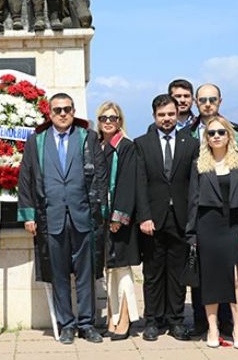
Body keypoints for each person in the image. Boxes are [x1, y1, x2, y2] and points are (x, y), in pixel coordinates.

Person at [17, 93, 108, 344]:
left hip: (83, 216)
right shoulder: (36, 141)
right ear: (50, 113)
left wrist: (101, 211)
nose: (63, 114)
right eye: (57, 110)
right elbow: (25, 179)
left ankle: (87, 323)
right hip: (51, 217)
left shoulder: (87, 137)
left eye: (67, 109)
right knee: (57, 273)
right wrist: (28, 215)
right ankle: (66, 324)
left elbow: (99, 176)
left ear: (74, 110)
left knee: (85, 273)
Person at [186, 116, 238, 349]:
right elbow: (193, 201)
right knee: (211, 280)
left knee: (236, 280)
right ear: (206, 137)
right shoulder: (199, 164)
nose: (216, 136)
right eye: (211, 133)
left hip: (233, 226)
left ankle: (237, 329)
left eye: (221, 132)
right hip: (207, 227)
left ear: (229, 135)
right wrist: (191, 233)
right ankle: (213, 329)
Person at [134, 94, 199, 342]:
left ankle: (176, 320)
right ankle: (153, 320)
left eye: (171, 114)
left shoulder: (190, 144)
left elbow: (194, 185)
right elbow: (140, 183)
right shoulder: (142, 143)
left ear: (177, 114)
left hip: (181, 219)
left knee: (177, 274)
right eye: (162, 115)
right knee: (152, 273)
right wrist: (144, 217)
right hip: (153, 219)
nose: (167, 119)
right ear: (154, 116)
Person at [95, 101, 140, 341]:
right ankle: (111, 319)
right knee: (109, 271)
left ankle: (125, 319)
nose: (109, 121)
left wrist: (118, 217)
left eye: (113, 117)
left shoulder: (126, 147)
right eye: (104, 118)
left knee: (122, 270)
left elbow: (127, 184)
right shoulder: (98, 146)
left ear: (120, 120)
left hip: (119, 220)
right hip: (100, 219)